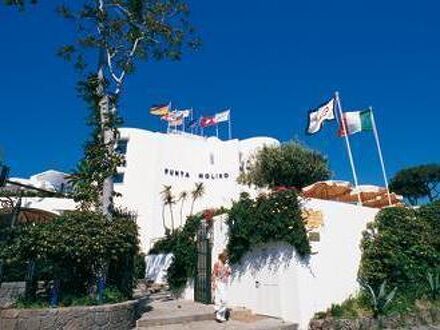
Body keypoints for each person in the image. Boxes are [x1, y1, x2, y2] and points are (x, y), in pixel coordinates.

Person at [212, 251, 231, 322]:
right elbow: (214, 274)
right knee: (221, 299)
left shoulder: (226, 265)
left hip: (225, 283)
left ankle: (222, 316)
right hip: (219, 283)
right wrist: (214, 284)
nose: (226, 259)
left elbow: (228, 273)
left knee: (225, 300)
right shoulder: (217, 263)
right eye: (226, 258)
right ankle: (218, 313)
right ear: (223, 257)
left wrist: (228, 271)